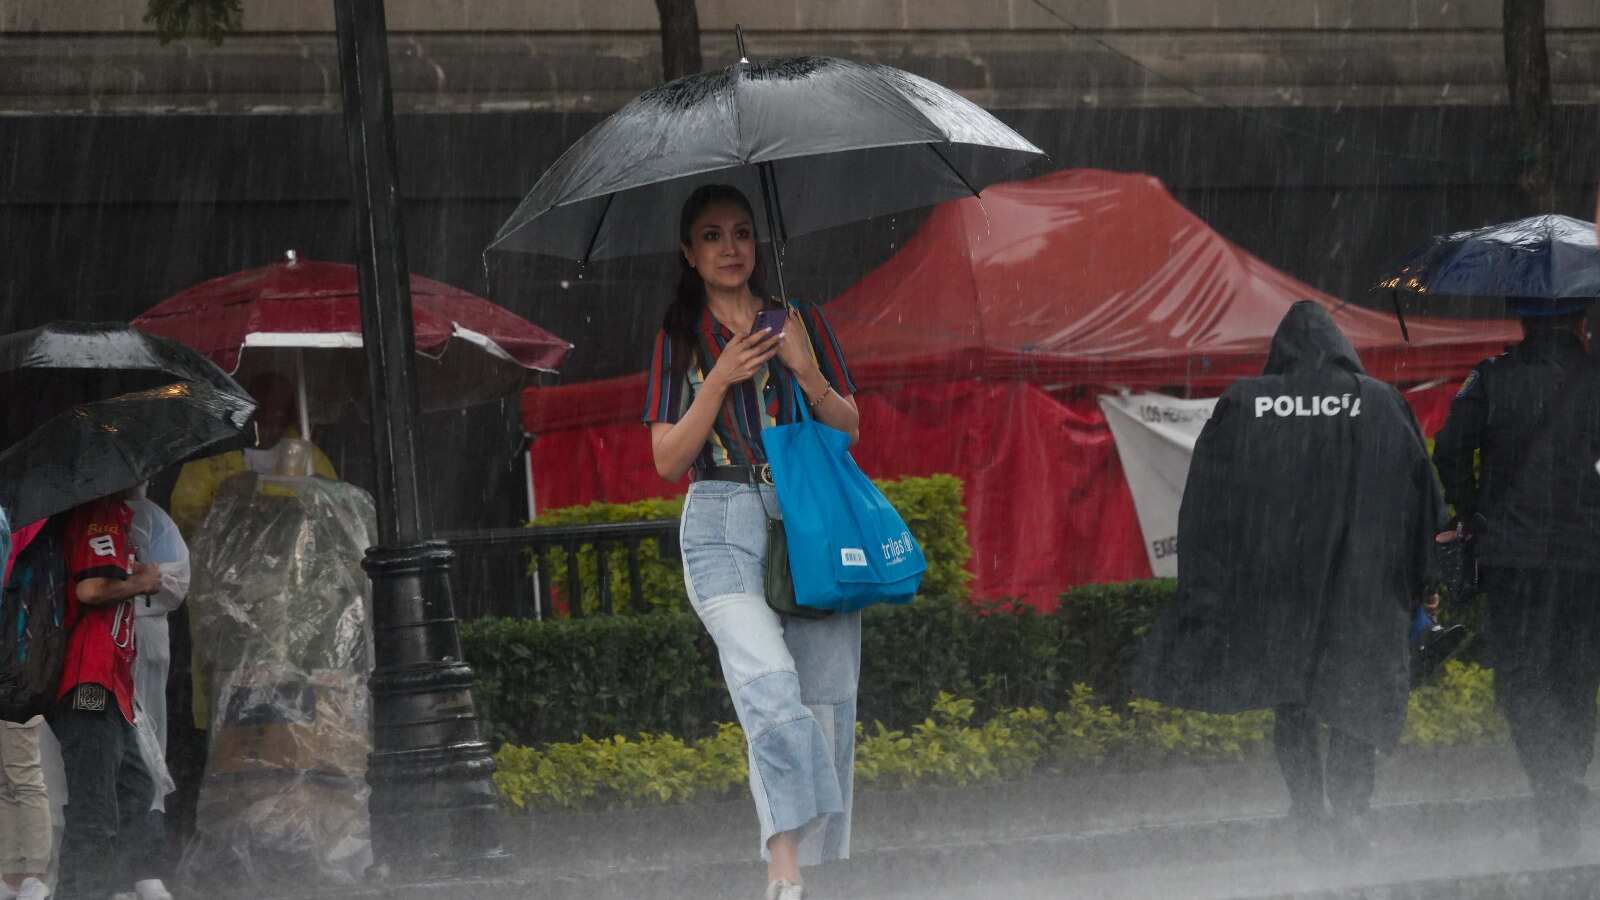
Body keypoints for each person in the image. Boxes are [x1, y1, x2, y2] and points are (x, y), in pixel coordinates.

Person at [1134, 301, 1444, 859]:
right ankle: (1351, 812)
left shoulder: (1243, 403)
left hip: (1279, 588)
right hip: (1362, 586)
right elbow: (1421, 497)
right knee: (1353, 695)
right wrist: (1424, 579)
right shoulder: (1378, 402)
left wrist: (1206, 587)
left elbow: (1206, 503)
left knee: (1292, 697)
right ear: (1341, 348)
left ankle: (1306, 808)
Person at [644, 184, 861, 900]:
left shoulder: (798, 319)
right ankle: (783, 866)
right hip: (718, 520)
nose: (730, 247)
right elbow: (668, 460)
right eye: (712, 236)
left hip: (801, 514)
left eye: (741, 232)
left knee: (823, 702)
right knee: (770, 689)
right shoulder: (677, 337)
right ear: (689, 252)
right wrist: (720, 381)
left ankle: (807, 865)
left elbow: (848, 427)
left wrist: (803, 368)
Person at [1432, 299, 1600, 856]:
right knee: (1576, 675)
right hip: (1588, 560)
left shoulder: (1490, 380)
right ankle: (1565, 779)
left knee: (1522, 679)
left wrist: (1471, 509)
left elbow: (1451, 452)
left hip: (1513, 560)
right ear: (1582, 322)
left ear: (1523, 323)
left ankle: (1550, 781)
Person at [52, 491, 172, 900]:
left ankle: (119, 883)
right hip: (91, 679)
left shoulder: (113, 517)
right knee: (96, 804)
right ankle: (86, 892)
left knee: (134, 786)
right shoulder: (98, 514)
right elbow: (91, 589)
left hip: (113, 684)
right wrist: (143, 581)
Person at [125, 487, 189, 815]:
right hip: (126, 637)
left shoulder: (153, 519)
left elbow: (175, 583)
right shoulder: (156, 520)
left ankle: (148, 806)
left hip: (144, 636)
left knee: (146, 721)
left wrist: (130, 584)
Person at [0, 504, 50, 900]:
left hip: (15, 669)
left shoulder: (29, 533)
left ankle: (34, 871)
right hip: (14, 665)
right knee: (5, 778)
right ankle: (12, 873)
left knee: (23, 773)